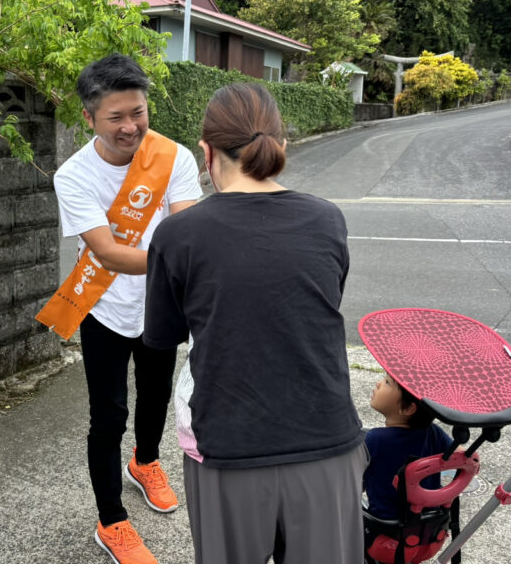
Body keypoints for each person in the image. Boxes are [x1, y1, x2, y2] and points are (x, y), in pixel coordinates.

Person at [143, 82, 366, 564]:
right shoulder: (328, 219)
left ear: (206, 151)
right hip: (327, 442)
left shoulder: (178, 235)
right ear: (281, 145)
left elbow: (162, 339)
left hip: (229, 445)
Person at [35, 53, 202, 564]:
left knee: (155, 398)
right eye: (116, 117)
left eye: (139, 112)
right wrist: (175, 261)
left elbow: (189, 235)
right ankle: (111, 521)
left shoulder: (174, 158)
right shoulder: (73, 175)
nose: (131, 126)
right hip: (103, 309)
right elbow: (106, 252)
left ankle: (146, 462)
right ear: (89, 118)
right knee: (107, 416)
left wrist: (181, 265)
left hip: (162, 307)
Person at [363, 373, 454, 521]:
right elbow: (462, 456)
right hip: (426, 525)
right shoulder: (433, 432)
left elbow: (352, 480)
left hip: (383, 526)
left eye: (387, 383)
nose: (378, 384)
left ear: (408, 409)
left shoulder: (375, 439)